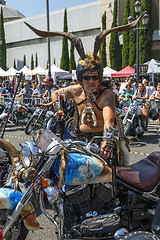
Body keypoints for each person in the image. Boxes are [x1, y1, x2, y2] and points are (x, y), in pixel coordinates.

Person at [47, 53, 117, 160]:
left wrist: (107, 142)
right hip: (80, 141)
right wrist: (58, 109)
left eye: (94, 77)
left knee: (107, 174)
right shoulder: (76, 91)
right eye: (87, 77)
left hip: (101, 143)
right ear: (80, 78)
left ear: (99, 78)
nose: (91, 81)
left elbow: (109, 121)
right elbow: (54, 94)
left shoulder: (106, 95)